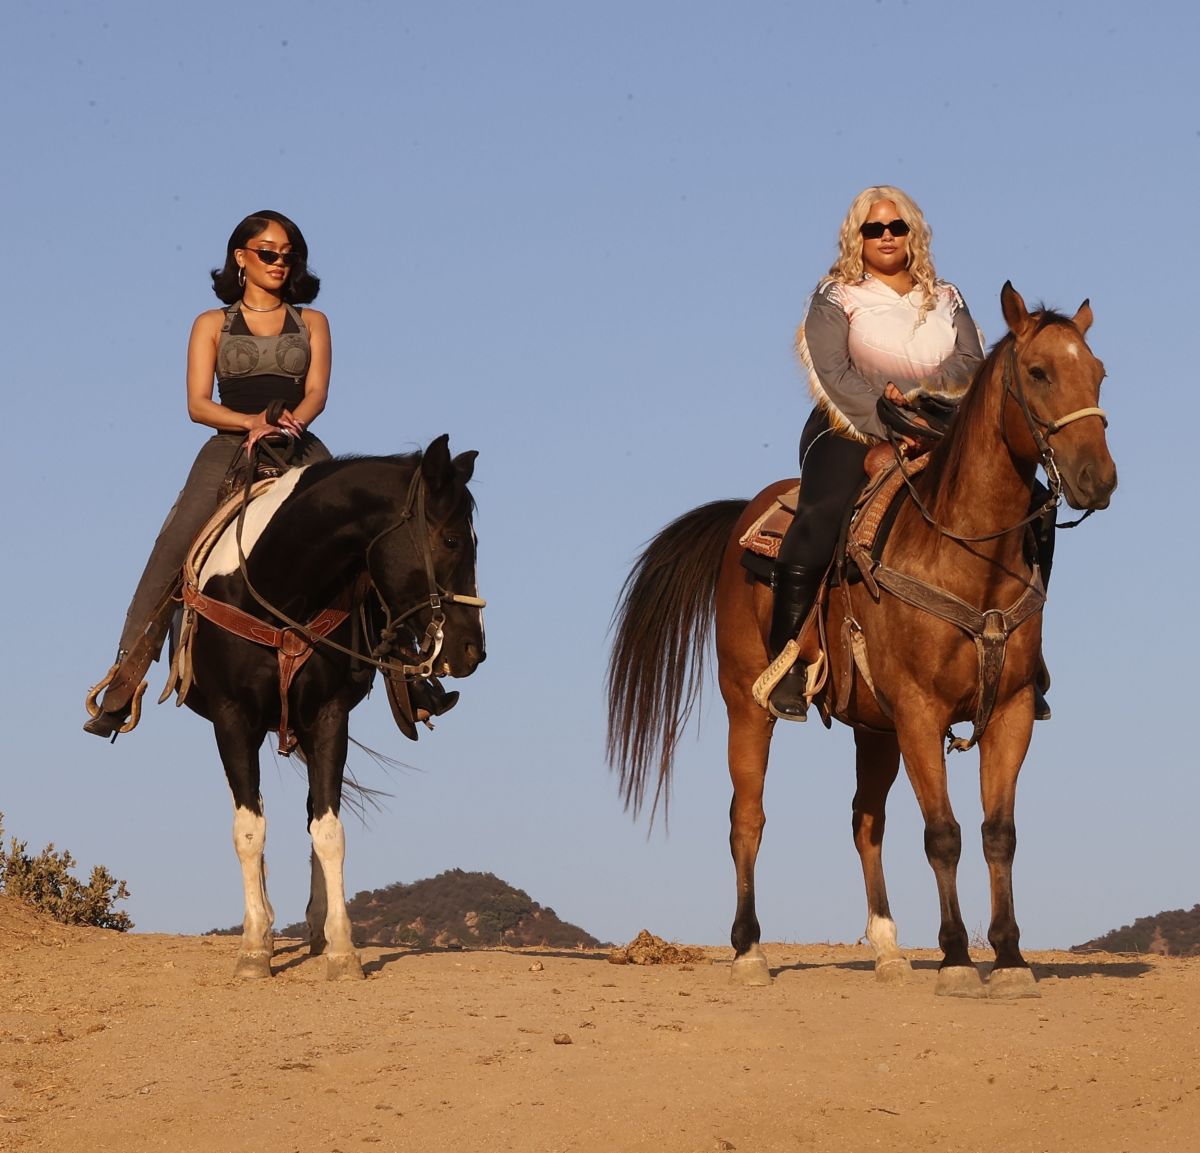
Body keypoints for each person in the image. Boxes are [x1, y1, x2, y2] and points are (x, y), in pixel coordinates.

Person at [84, 210, 333, 738]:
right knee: (176, 539)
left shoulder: (312, 322)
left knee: (356, 524)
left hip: (296, 439)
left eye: (287, 255)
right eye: (268, 253)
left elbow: (316, 392)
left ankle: (408, 677)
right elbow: (197, 404)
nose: (279, 263)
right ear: (241, 257)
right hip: (229, 442)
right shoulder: (210, 324)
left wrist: (290, 425)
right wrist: (249, 423)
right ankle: (125, 678)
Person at [768, 186, 986, 721]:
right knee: (822, 515)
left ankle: (1029, 655)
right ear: (857, 238)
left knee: (1024, 501)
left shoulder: (947, 297)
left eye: (896, 227)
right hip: (848, 429)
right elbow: (833, 372)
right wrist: (887, 421)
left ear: (913, 233)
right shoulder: (836, 295)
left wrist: (922, 395)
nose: (886, 237)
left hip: (939, 430)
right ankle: (788, 661)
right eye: (873, 229)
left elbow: (970, 361)